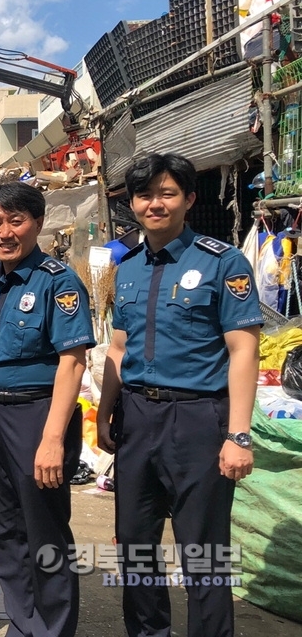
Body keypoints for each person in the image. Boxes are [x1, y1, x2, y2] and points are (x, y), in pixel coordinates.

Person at [96, 153, 262, 637]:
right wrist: (106, 410)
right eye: (145, 195)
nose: (155, 204)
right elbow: (119, 346)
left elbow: (243, 350)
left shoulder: (221, 262)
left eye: (167, 193)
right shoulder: (125, 268)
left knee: (203, 550)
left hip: (198, 420)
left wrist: (239, 434)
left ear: (188, 199)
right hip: (138, 418)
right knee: (134, 544)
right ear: (132, 203)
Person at [0, 181, 94, 637]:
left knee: (45, 533)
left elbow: (72, 362)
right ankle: (23, 623)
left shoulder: (58, 282)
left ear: (36, 223)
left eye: (15, 222)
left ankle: (52, 629)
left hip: (37, 418)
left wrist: (53, 439)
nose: (4, 232)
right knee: (5, 528)